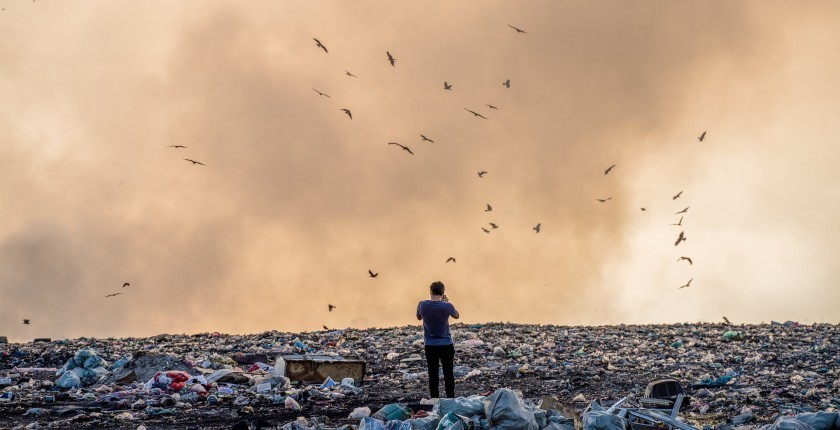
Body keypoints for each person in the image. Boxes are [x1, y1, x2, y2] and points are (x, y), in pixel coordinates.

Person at [416, 281, 460, 398]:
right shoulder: (447, 306)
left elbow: (418, 317)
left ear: (430, 291)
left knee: (433, 374)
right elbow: (456, 315)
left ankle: (435, 400)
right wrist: (446, 302)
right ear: (443, 292)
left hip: (430, 345)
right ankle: (450, 399)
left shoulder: (422, 305)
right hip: (446, 344)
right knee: (448, 374)